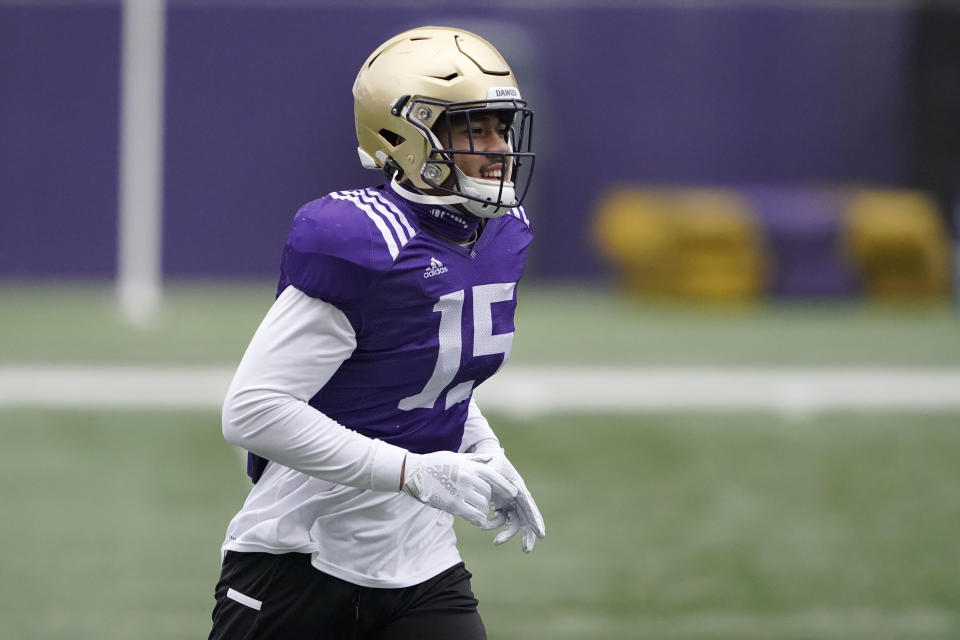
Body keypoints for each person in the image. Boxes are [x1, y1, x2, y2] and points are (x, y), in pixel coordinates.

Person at [208, 25, 545, 640]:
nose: (498, 148)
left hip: (422, 567)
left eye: (502, 126)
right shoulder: (363, 240)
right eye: (475, 128)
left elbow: (431, 375)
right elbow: (253, 412)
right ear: (408, 137)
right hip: (297, 564)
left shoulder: (501, 233)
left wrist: (485, 452)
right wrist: (413, 473)